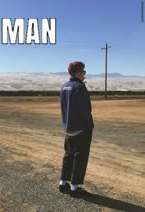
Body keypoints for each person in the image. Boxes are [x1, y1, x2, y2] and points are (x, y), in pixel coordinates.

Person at [59, 61, 94, 198]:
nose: (84, 75)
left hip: (68, 127)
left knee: (68, 155)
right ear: (78, 72)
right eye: (83, 72)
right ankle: (74, 188)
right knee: (80, 156)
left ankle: (63, 183)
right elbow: (85, 109)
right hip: (81, 128)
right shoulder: (79, 87)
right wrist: (89, 124)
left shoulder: (63, 87)